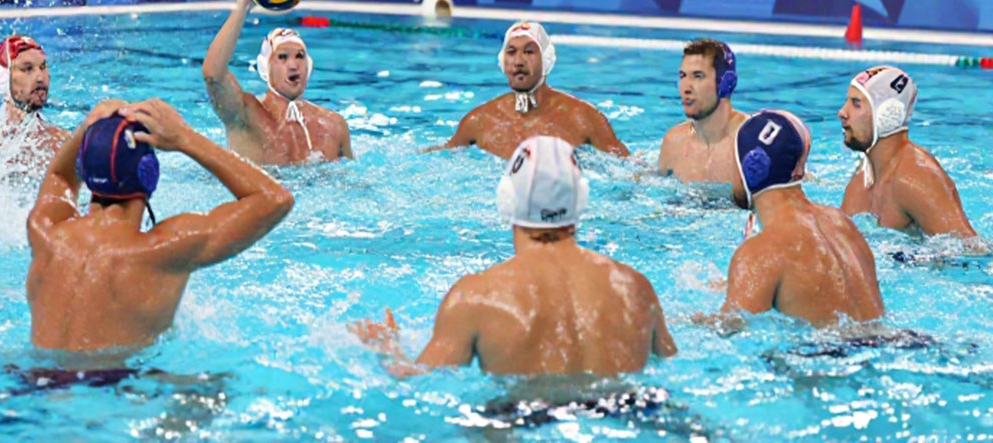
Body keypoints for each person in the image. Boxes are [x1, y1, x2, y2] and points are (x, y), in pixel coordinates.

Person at [352, 135, 675, 376]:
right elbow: (670, 360)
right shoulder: (634, 287)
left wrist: (388, 349)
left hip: (518, 418)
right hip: (628, 412)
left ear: (506, 199)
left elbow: (415, 379)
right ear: (582, 199)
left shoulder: (475, 297)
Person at [26, 98, 294, 355]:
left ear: (84, 169)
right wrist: (185, 138)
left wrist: (89, 126)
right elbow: (274, 199)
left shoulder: (45, 231)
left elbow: (59, 176)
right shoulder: (164, 250)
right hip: (114, 383)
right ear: (149, 173)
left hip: (30, 378)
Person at [703, 110, 884, 328]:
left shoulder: (759, 253)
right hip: (895, 339)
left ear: (750, 167)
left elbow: (729, 328)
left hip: (828, 348)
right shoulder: (841, 223)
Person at [201, 0, 352, 164]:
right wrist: (242, 6)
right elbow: (213, 74)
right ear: (265, 68)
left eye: (299, 56)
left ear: (309, 66)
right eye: (282, 57)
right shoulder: (245, 115)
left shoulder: (333, 126)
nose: (293, 65)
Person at [431, 21, 628, 159]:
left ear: (546, 60)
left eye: (529, 52)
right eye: (511, 52)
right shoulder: (479, 122)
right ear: (502, 61)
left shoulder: (583, 119)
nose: (518, 61)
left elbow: (627, 170)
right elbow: (441, 157)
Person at [838, 66, 980, 240]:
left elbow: (971, 248)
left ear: (887, 114)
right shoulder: (863, 177)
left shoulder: (917, 177)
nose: (842, 112)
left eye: (856, 103)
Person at [0, 35, 68, 165]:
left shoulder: (60, 143)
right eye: (27, 69)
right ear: (3, 79)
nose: (40, 78)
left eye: (43, 67)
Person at [658, 39, 747, 183]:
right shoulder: (674, 142)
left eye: (698, 76)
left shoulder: (750, 142)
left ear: (725, 83)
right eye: (683, 76)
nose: (686, 87)